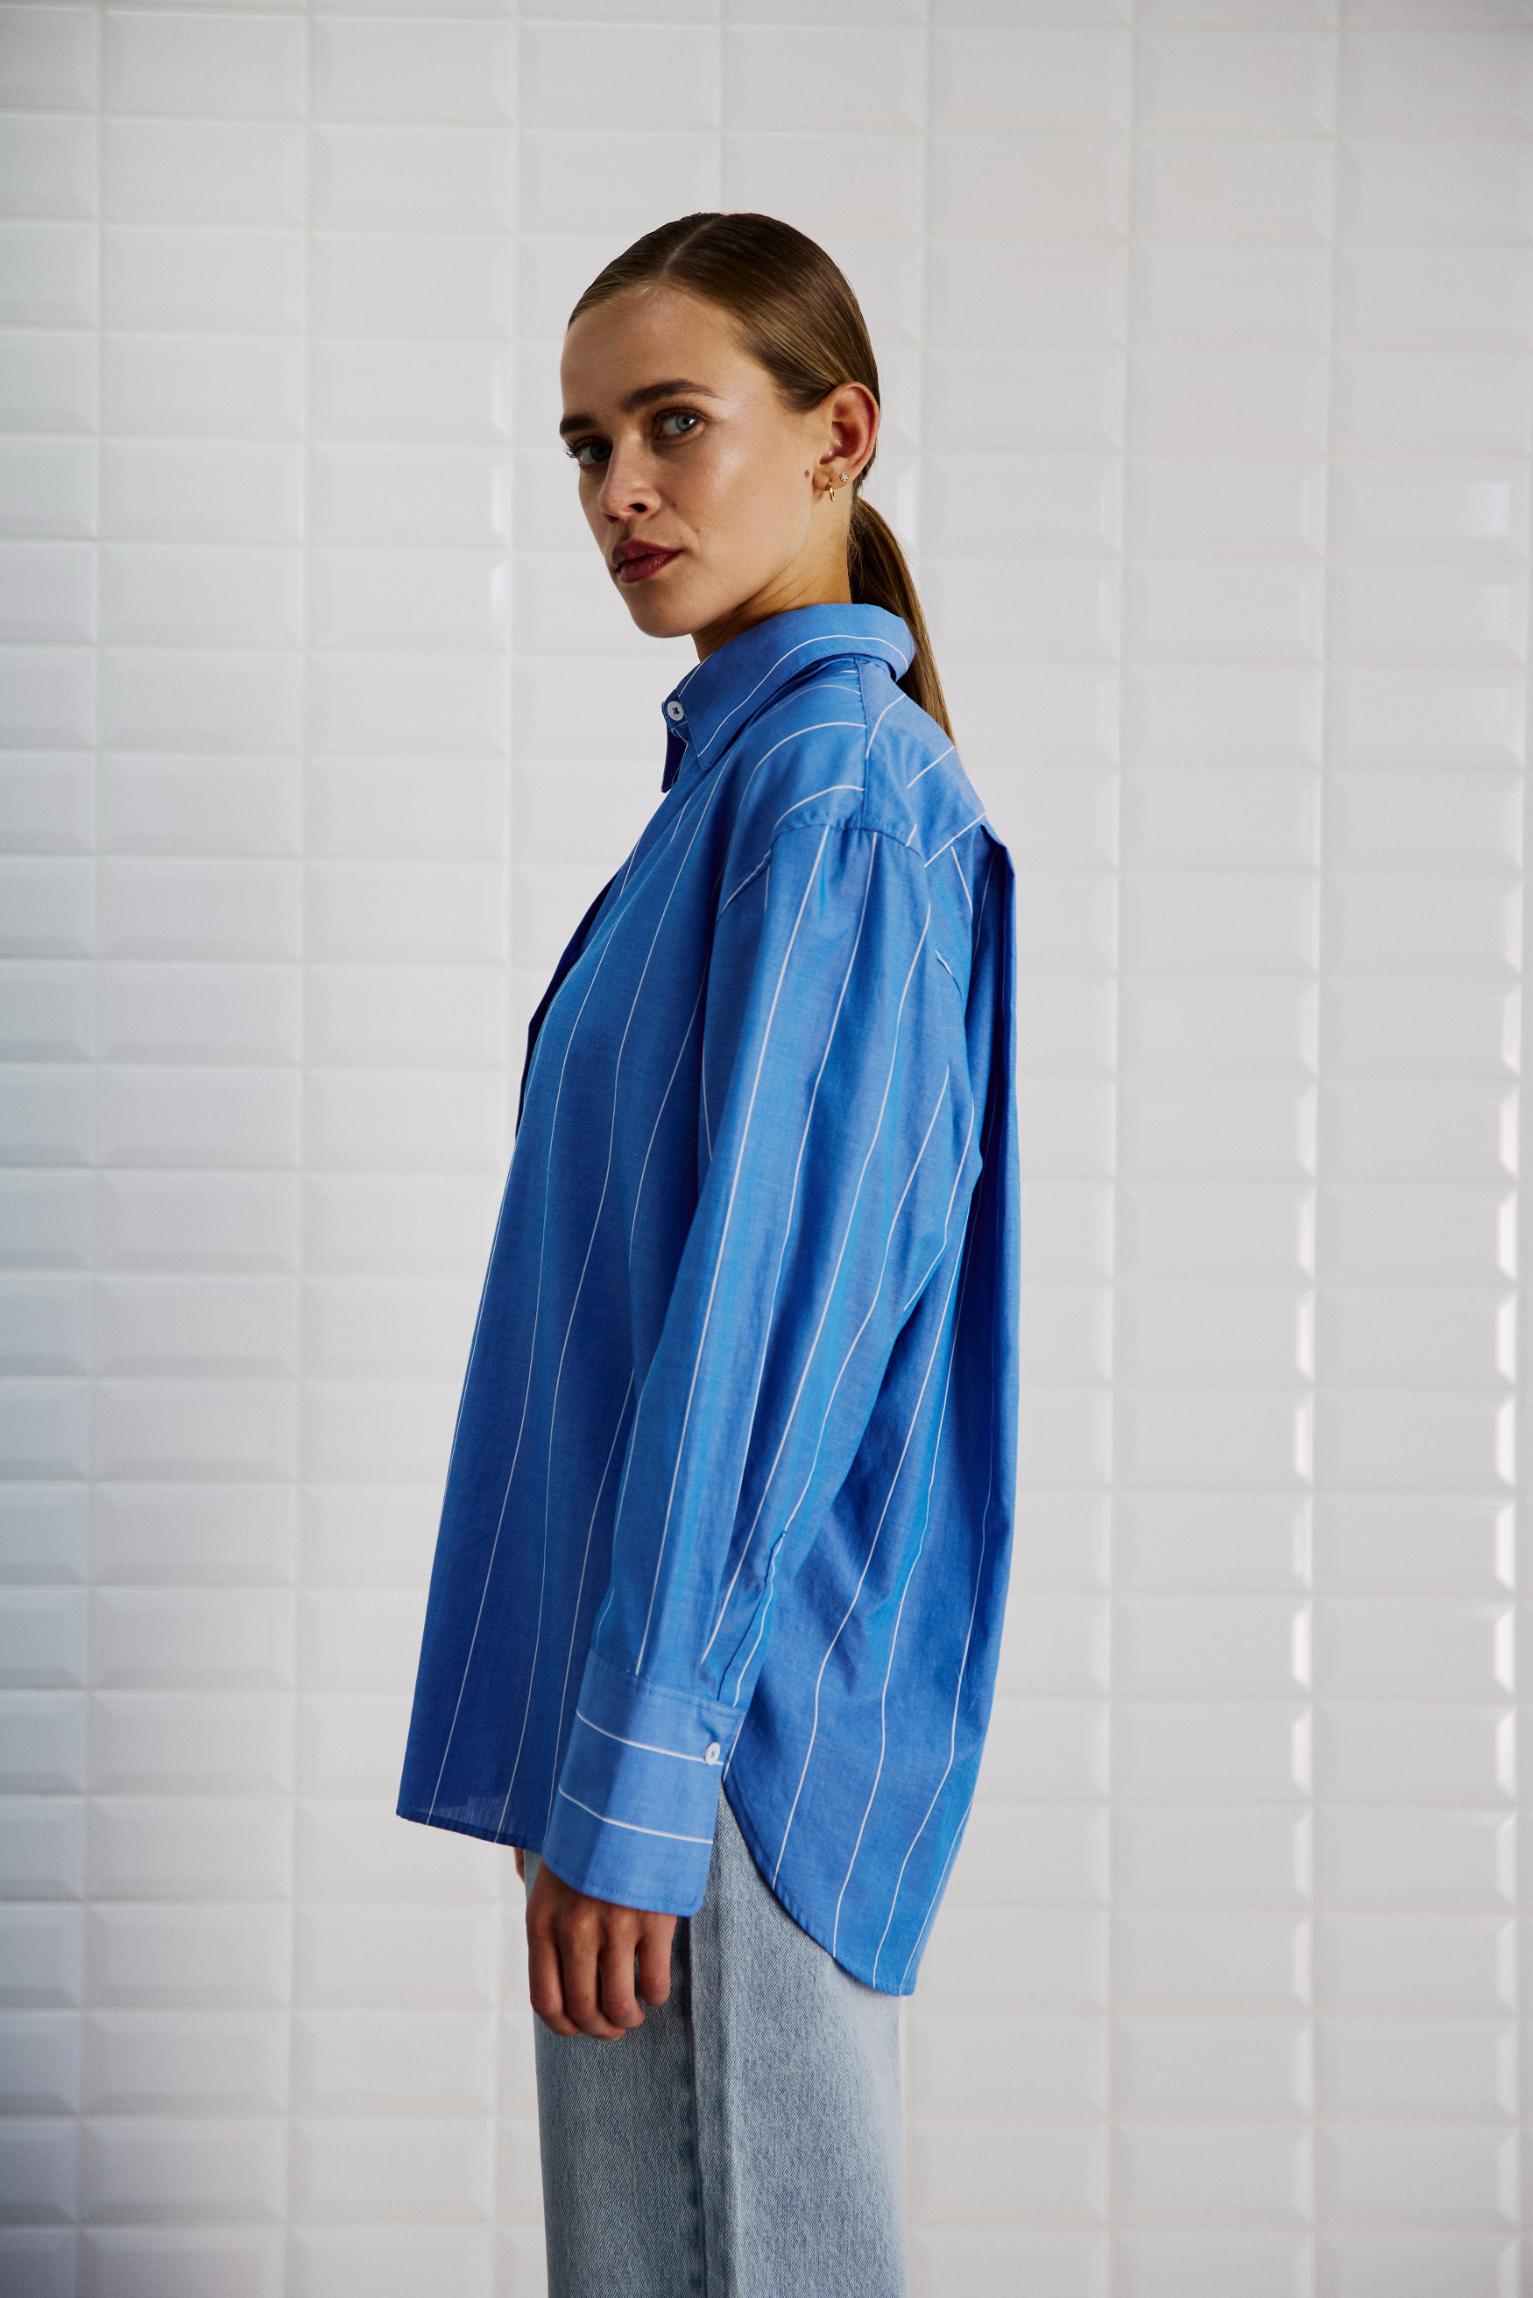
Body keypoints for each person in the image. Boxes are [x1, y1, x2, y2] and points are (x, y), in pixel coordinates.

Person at [395, 210, 1020, 2298]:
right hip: (655, 1700)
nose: (621, 491)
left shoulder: (833, 792)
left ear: (839, 434)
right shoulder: (739, 788)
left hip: (722, 1725)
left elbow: (773, 1328)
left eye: (675, 423)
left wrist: (646, 1764)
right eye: (587, 445)